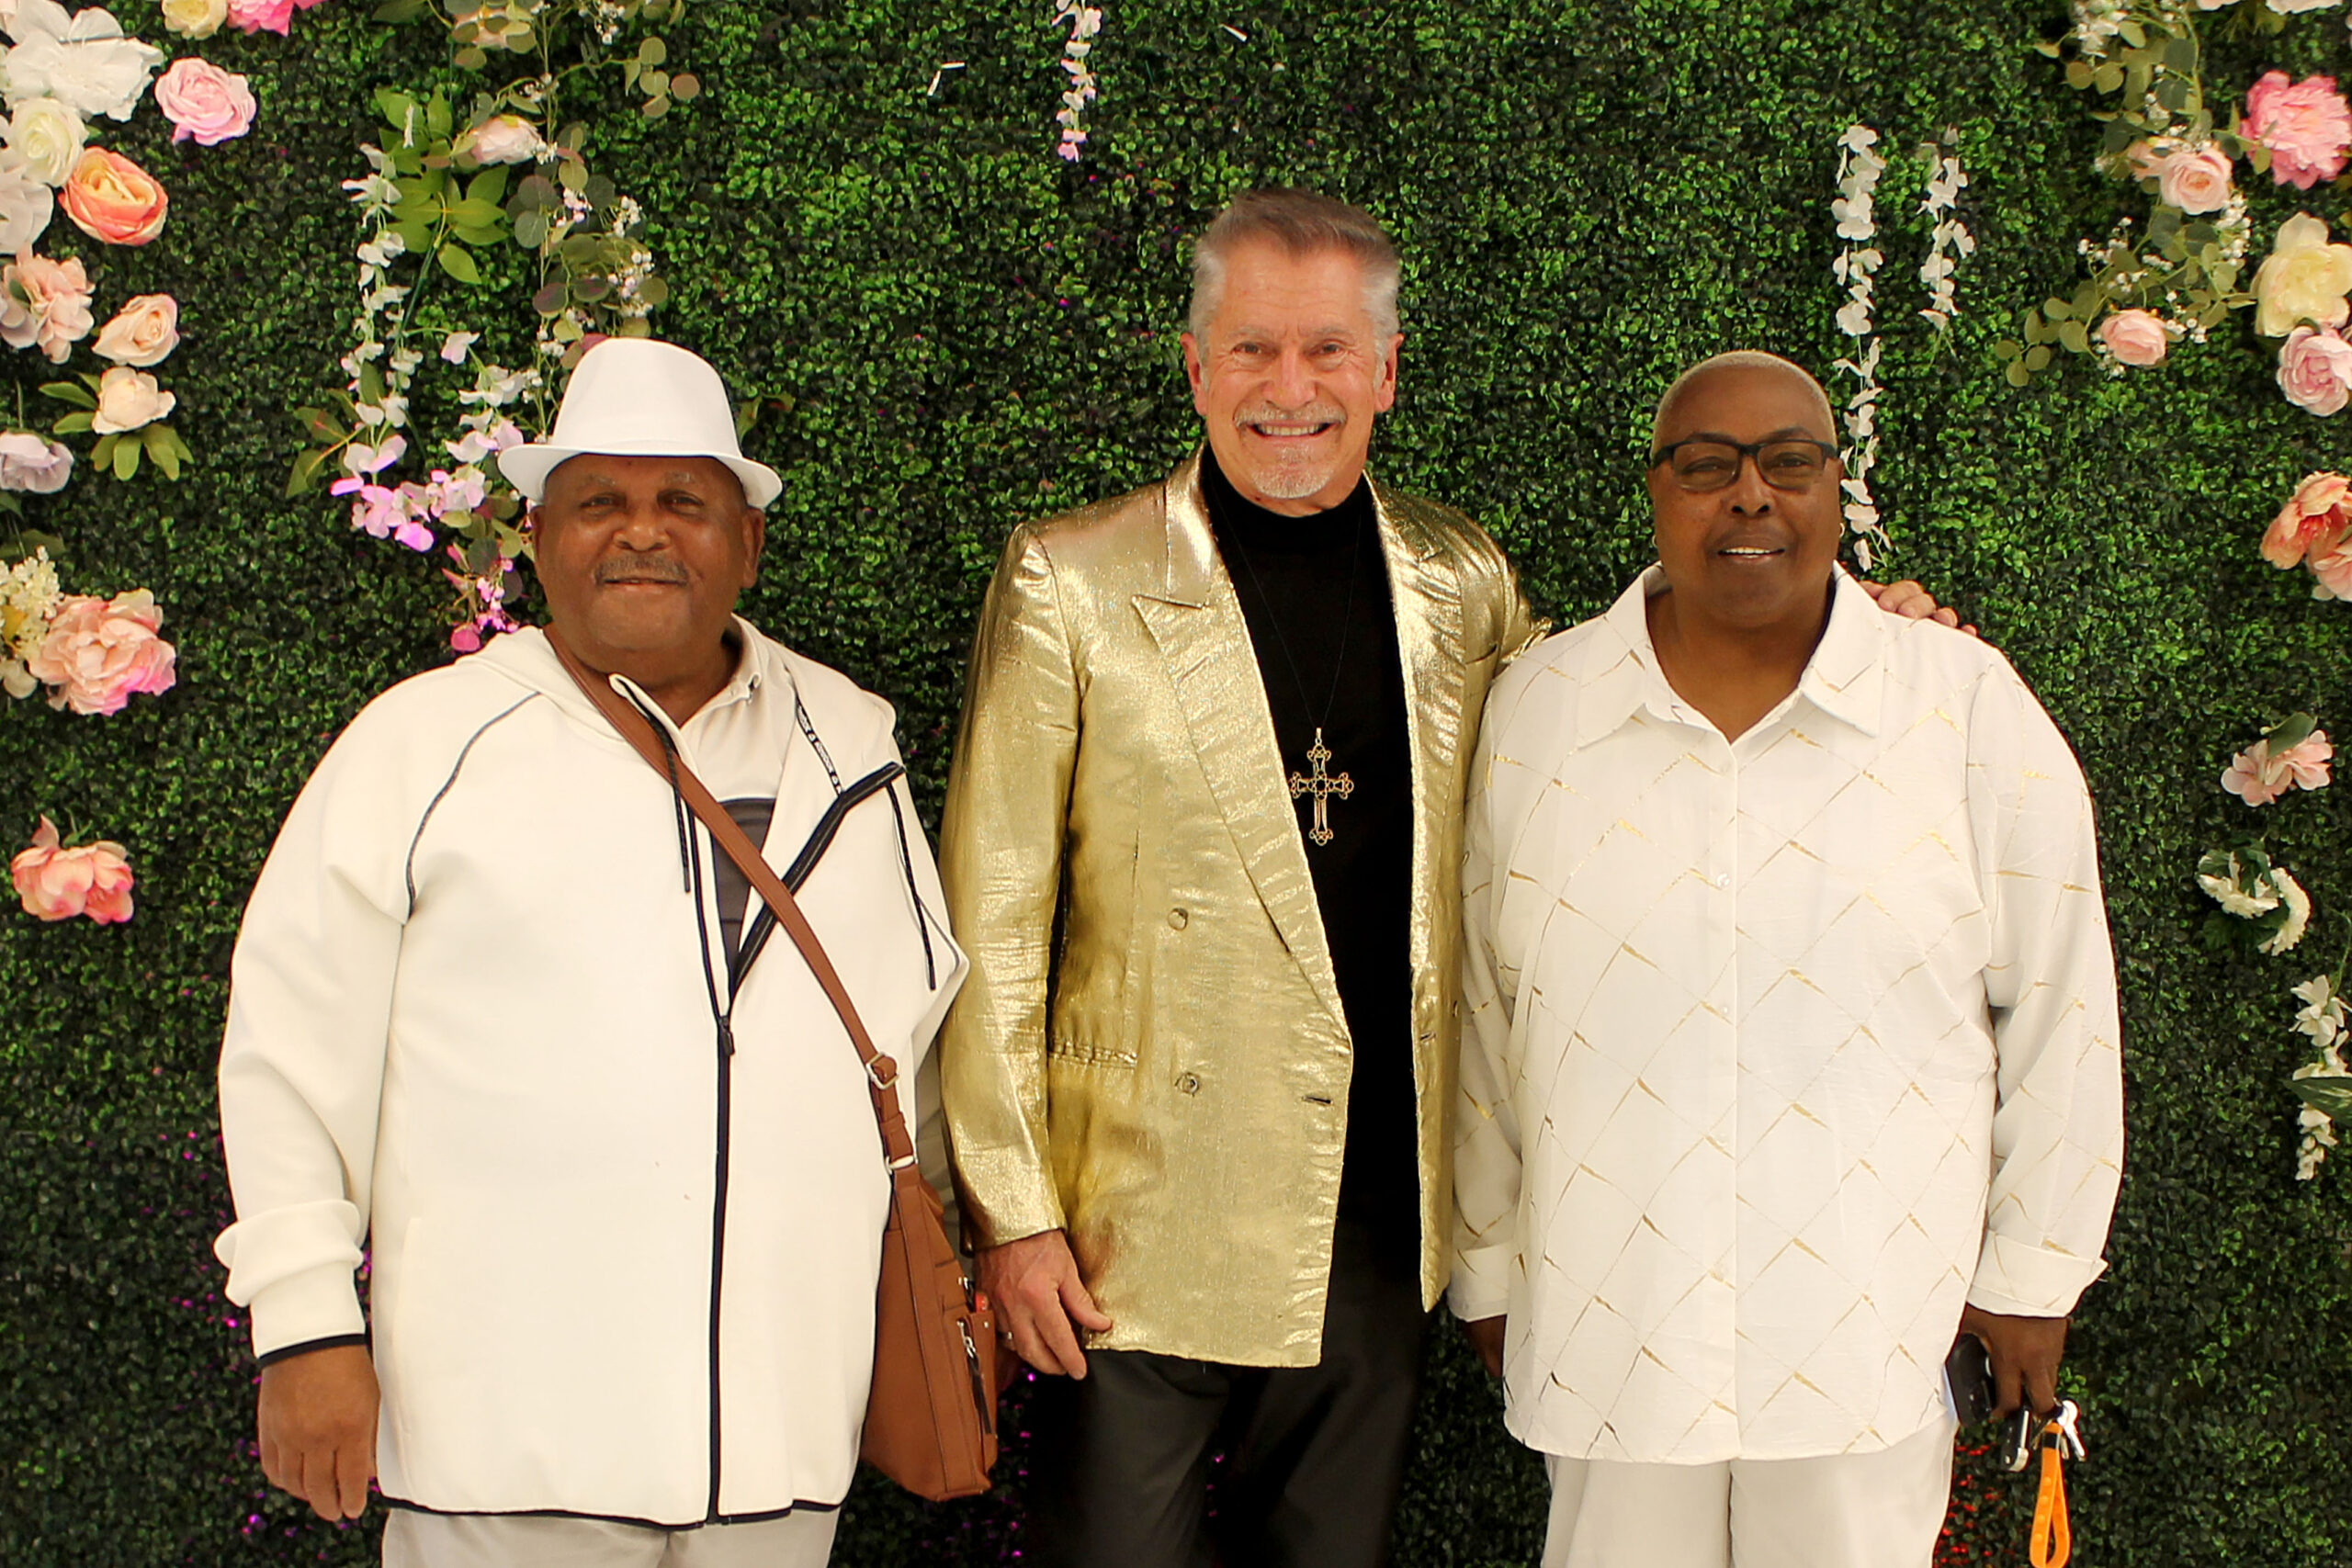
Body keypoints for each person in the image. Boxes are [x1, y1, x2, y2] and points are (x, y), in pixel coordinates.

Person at [937, 191, 1961, 1567]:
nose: (1289, 390)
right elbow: (991, 921)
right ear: (1195, 366)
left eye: (1326, 351)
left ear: (1385, 372)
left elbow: (1606, 705)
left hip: (1379, 1207)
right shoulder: (1073, 577)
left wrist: (1830, 621)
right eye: (1251, 350)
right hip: (1132, 1217)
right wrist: (1013, 1215)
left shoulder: (1458, 578)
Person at [212, 337, 966, 1568]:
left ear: (748, 542)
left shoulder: (848, 738)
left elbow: (916, 1035)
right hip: (506, 1446)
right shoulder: (424, 743)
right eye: (600, 501)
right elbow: (290, 1048)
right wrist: (304, 1324)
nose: (642, 533)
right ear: (538, 537)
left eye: (684, 502)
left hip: (776, 1444)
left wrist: (958, 1259)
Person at [1452, 350, 2125, 1568]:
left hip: (1866, 1325)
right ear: (1656, 492)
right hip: (1616, 1308)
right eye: (1708, 465)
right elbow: (1485, 1017)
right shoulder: (1541, 710)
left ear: (1834, 487)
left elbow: (2060, 1001)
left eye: (1789, 462)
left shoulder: (1964, 706)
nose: (1750, 494)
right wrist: (1489, 1267)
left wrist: (2035, 1273)